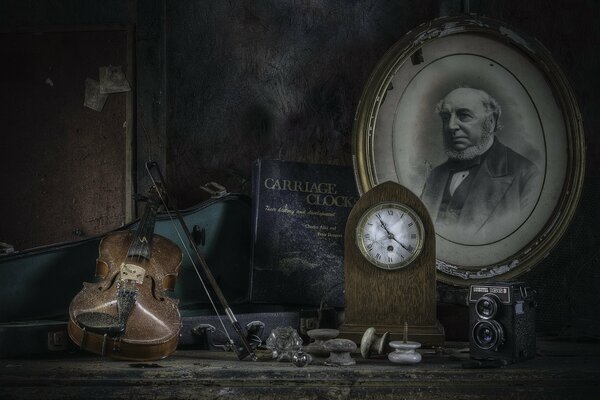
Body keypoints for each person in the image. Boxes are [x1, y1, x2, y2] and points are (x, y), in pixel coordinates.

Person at [420, 87, 542, 241]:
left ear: (490, 123)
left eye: (464, 116)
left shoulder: (526, 174)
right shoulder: (435, 175)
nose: (451, 126)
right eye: (446, 117)